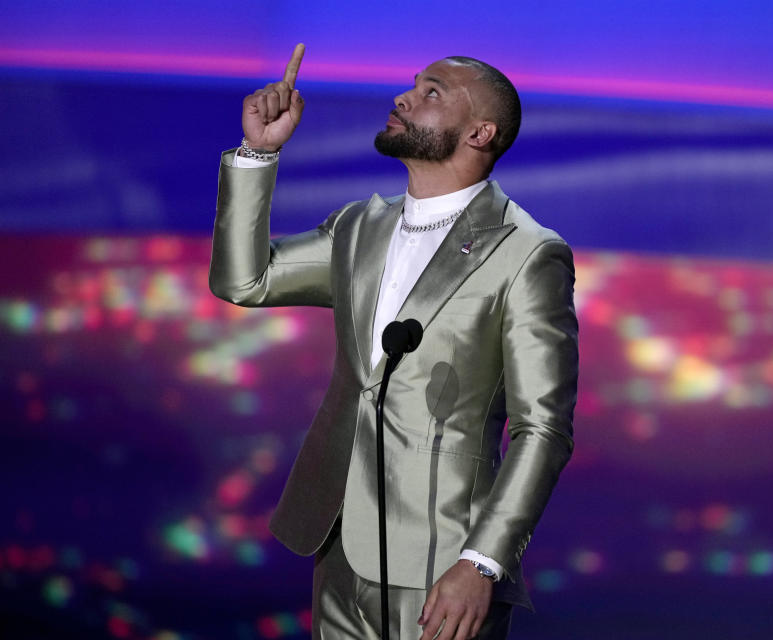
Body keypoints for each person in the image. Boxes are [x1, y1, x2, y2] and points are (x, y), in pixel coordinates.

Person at [209, 44, 578, 640]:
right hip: (338, 542)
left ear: (481, 132)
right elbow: (244, 280)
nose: (404, 98)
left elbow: (543, 429)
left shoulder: (527, 254)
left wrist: (483, 561)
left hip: (444, 561)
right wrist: (259, 153)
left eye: (432, 92)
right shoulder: (359, 227)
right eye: (411, 86)